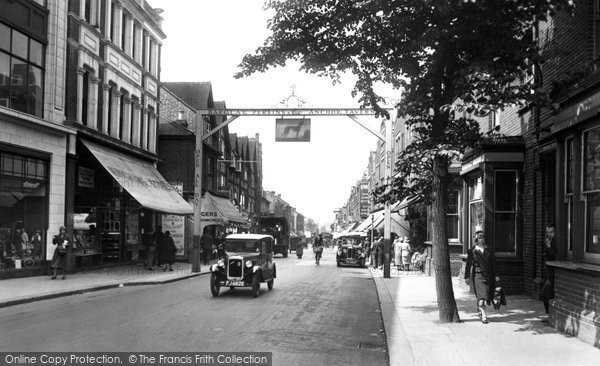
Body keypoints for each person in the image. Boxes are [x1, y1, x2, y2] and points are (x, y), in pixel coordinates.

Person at [464, 230, 500, 324]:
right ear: (476, 239)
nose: (482, 239)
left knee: (486, 296)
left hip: (488, 276)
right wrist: (467, 277)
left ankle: (479, 309)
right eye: (480, 237)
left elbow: (493, 264)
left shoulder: (489, 250)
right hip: (478, 276)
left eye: (483, 237)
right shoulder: (472, 251)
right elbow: (468, 265)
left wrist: (496, 275)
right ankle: (484, 316)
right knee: (482, 297)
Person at [540, 223, 556, 320]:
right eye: (548, 232)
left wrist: (549, 246)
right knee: (544, 296)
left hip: (552, 274)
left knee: (545, 294)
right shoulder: (547, 241)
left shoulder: (556, 242)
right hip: (546, 273)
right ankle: (549, 315)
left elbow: (555, 255)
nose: (549, 234)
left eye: (551, 232)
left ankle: (550, 316)